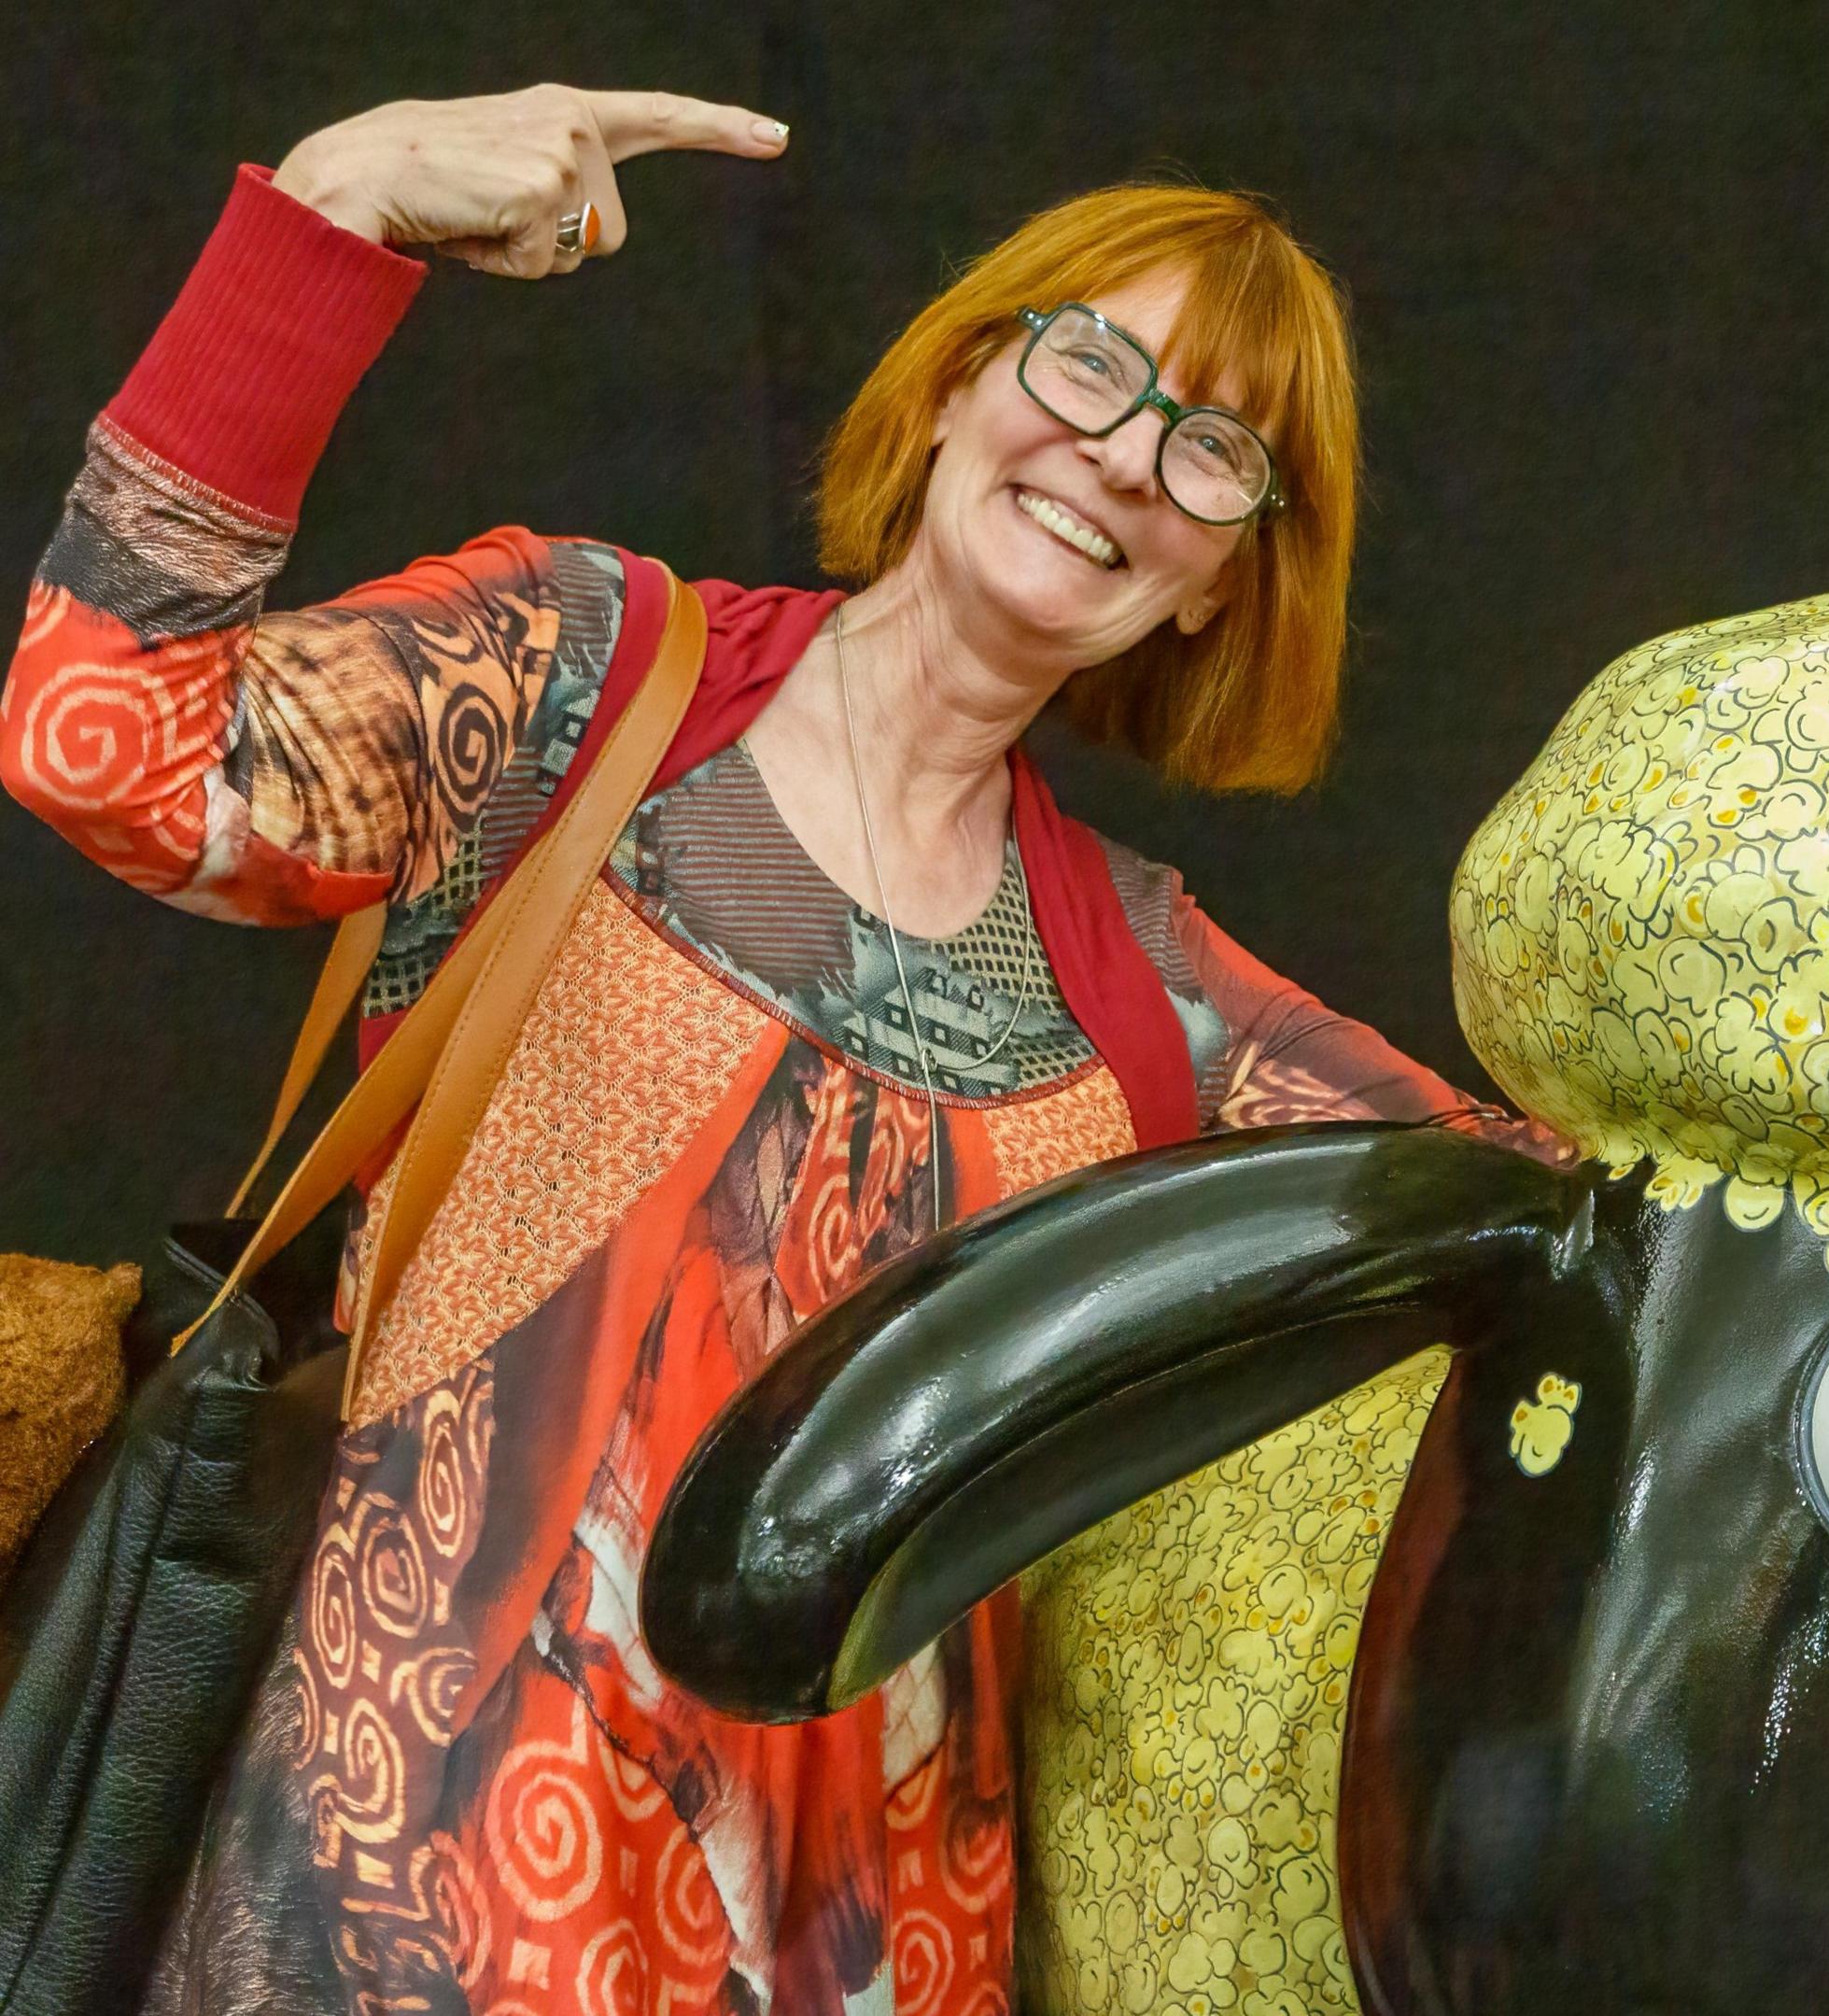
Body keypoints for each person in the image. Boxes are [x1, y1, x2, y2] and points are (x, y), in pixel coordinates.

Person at [2, 83, 1540, 2013]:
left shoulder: (1162, 1008)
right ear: (968, 383)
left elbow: (1567, 1215)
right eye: (1089, 369)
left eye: (1215, 453)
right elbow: (101, 738)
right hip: (377, 1924)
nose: (1127, 459)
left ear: (1222, 574)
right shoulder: (578, 682)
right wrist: (338, 206)